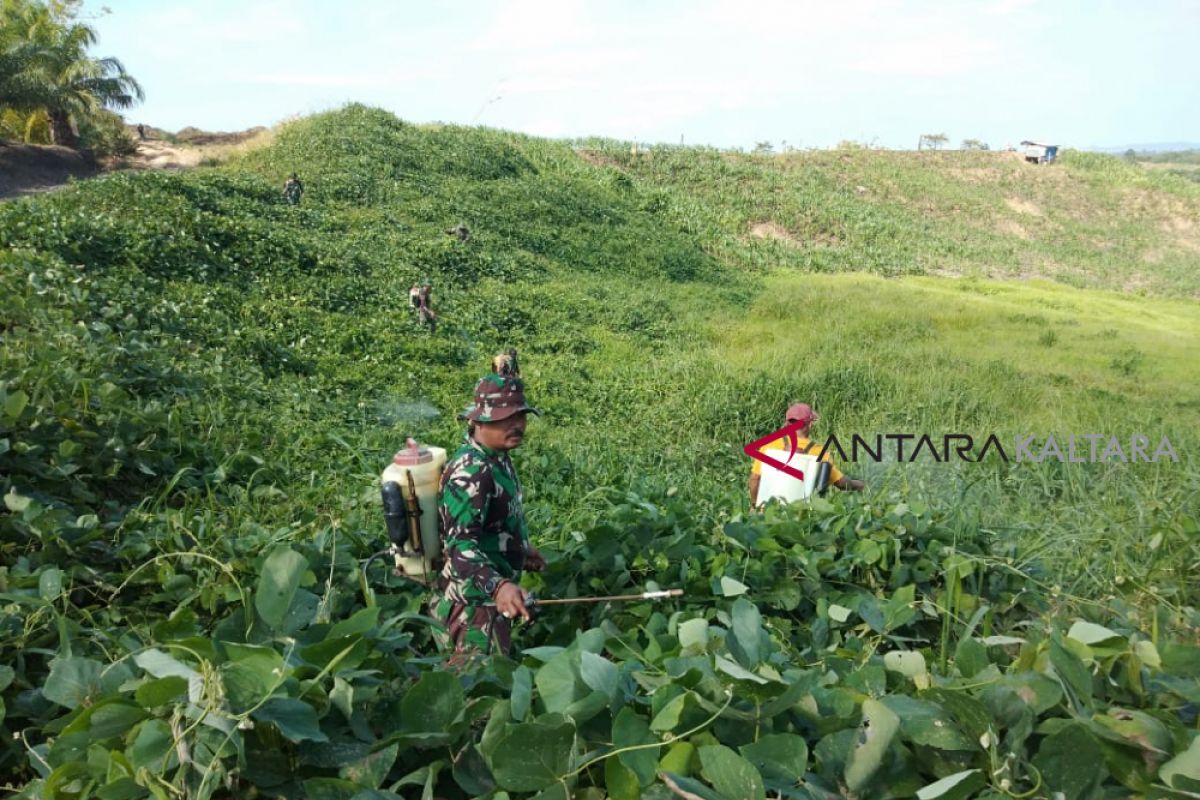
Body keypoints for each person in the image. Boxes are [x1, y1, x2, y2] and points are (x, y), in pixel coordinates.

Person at [432, 360, 546, 660]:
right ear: (479, 422)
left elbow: (493, 524)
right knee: (474, 688)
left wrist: (521, 550)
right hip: (471, 606)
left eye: (521, 416)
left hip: (490, 594)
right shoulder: (471, 472)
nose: (518, 424)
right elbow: (460, 547)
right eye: (506, 418)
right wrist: (499, 588)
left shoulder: (497, 456)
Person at [748, 402, 864, 508]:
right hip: (801, 517)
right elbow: (843, 484)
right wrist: (861, 485)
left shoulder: (769, 446)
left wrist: (755, 506)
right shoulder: (821, 453)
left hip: (769, 513)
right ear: (810, 425)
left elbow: (754, 479)